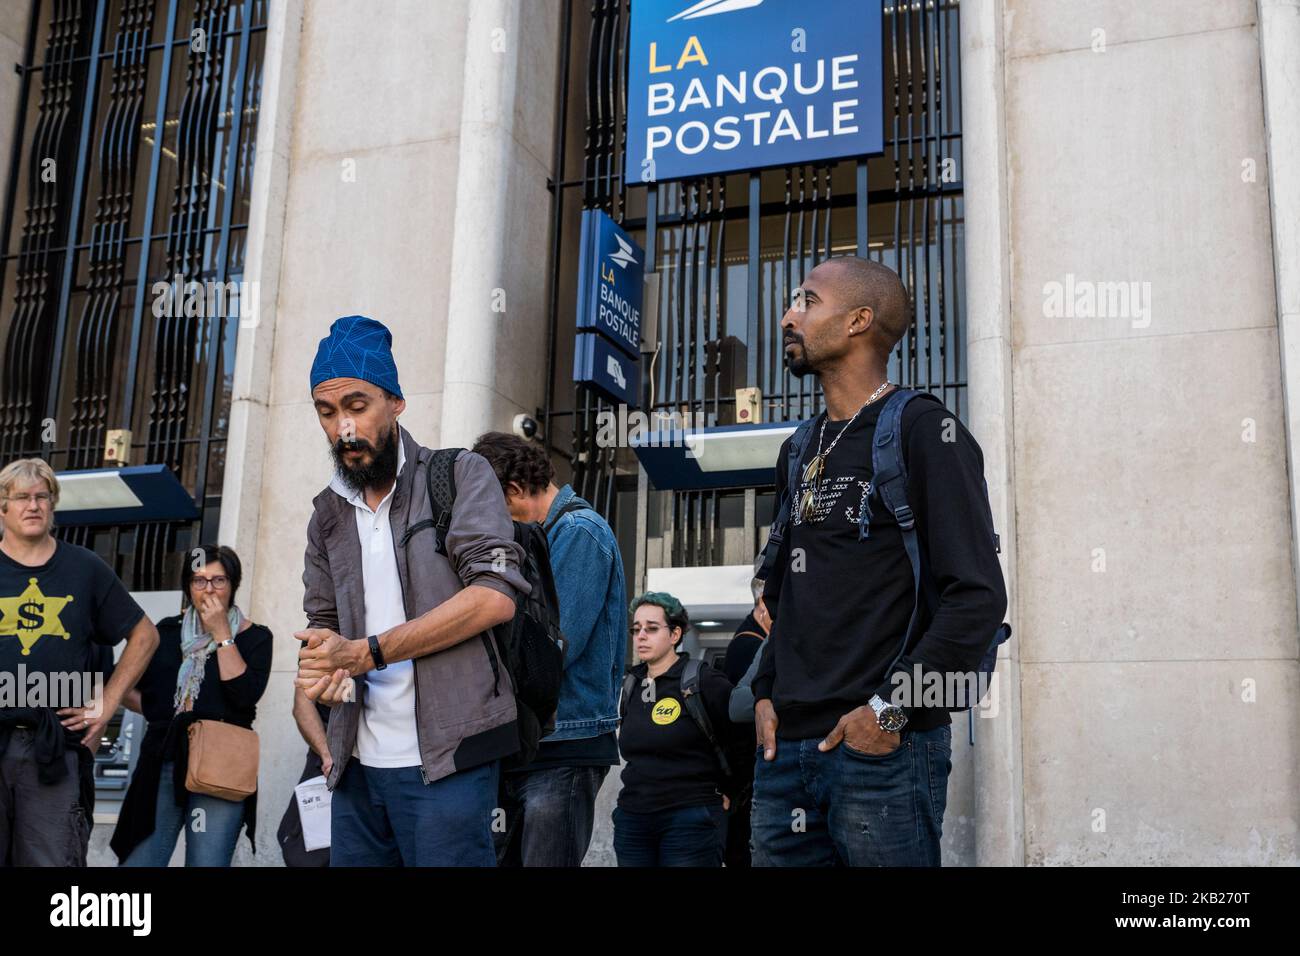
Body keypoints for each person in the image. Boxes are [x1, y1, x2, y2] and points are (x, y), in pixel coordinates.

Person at [750, 256, 1007, 867]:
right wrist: (764, 693)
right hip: (783, 752)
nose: (789, 316)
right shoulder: (800, 447)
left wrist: (889, 712)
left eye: (807, 301)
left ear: (859, 320)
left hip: (880, 752)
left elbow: (976, 596)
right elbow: (780, 590)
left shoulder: (924, 431)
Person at [295, 315, 529, 867]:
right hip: (355, 771)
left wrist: (367, 652)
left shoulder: (459, 475)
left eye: (356, 406)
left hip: (450, 762)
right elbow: (322, 636)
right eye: (326, 413)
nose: (343, 428)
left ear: (396, 402)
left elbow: (495, 597)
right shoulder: (326, 514)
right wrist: (318, 691)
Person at [471, 432, 627, 867]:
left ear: (516, 490)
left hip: (565, 743)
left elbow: (553, 646)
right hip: (534, 742)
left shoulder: (579, 532)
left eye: (494, 504)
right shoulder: (540, 538)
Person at [0, 458, 159, 866]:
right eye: (21, 497)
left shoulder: (84, 568)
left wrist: (107, 702)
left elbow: (145, 635)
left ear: (52, 505)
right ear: (3, 507)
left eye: (42, 497)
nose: (33, 505)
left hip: (55, 745)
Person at [113, 545, 272, 866]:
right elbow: (125, 687)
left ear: (233, 585)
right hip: (163, 757)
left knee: (207, 862)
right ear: (188, 586)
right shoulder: (166, 632)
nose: (209, 589)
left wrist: (222, 634)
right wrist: (165, 716)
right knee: (140, 860)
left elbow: (243, 696)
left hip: (220, 763)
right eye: (199, 581)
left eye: (219, 580)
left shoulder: (255, 637)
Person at [613, 592, 735, 867]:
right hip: (633, 819)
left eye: (652, 628)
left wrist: (732, 791)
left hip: (690, 817)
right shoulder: (631, 684)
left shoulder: (703, 681)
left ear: (675, 634)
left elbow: (742, 739)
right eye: (637, 629)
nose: (641, 635)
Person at [718, 575, 770, 869]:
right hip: (747, 781)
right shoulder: (749, 646)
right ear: (763, 603)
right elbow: (737, 716)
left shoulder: (751, 638)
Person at [278, 687, 332, 867]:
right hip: (328, 763)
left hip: (395, 767)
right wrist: (326, 754)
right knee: (307, 853)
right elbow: (302, 704)